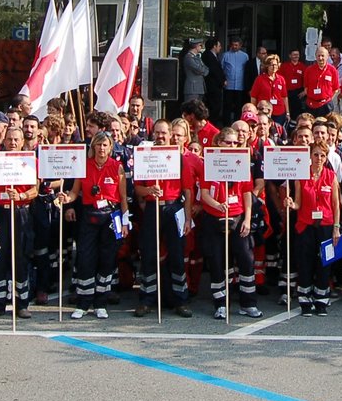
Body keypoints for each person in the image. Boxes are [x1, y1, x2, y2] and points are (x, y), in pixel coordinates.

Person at [132, 121, 194, 318]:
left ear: (170, 135)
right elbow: (137, 188)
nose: (161, 136)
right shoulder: (144, 155)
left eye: (164, 133)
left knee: (176, 255)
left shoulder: (179, 158)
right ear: (153, 134)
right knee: (149, 254)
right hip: (152, 207)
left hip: (173, 207)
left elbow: (187, 190)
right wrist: (149, 190)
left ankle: (180, 300)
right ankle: (146, 299)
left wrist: (187, 218)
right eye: (157, 132)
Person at [63, 131, 128, 319]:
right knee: (85, 258)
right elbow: (75, 192)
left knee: (107, 259)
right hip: (89, 216)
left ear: (110, 147)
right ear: (93, 147)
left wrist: (125, 221)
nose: (101, 148)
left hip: (110, 217)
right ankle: (83, 303)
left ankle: (101, 302)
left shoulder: (117, 167)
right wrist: (66, 198)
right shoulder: (83, 166)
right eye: (98, 145)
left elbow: (123, 198)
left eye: (105, 145)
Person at [198, 126, 261, 319]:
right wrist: (218, 205)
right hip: (214, 218)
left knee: (245, 259)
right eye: (228, 142)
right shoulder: (210, 163)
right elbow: (205, 194)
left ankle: (248, 303)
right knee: (217, 261)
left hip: (238, 217)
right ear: (218, 143)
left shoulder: (241, 163)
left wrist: (248, 219)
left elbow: (247, 194)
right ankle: (220, 304)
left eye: (236, 142)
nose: (233, 145)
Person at [0, 123, 36, 320]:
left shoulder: (29, 161)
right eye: (9, 139)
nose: (12, 142)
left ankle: (22, 304)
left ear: (22, 142)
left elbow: (34, 190)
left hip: (21, 213)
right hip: (2, 215)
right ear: (4, 141)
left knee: (20, 259)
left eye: (16, 139)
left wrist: (20, 196)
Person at [292, 140, 342, 315]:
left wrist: (336, 227)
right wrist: (291, 204)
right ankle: (305, 300)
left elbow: (336, 204)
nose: (319, 158)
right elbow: (298, 203)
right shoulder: (301, 175)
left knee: (324, 263)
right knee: (305, 262)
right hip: (305, 225)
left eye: (322, 155)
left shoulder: (331, 176)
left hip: (326, 226)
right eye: (315, 154)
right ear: (310, 156)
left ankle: (321, 299)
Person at [220, 38, 251, 124]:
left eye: (236, 45)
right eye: (233, 45)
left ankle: (237, 123)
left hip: (240, 85)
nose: (234, 47)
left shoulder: (245, 56)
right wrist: (223, 80)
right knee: (227, 106)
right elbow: (221, 69)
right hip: (229, 85)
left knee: (239, 107)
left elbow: (247, 70)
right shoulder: (225, 55)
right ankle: (226, 124)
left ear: (240, 46)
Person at [303, 46, 341, 116]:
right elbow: (306, 88)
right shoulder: (309, 70)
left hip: (326, 105)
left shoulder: (332, 70)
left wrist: (327, 99)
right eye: (318, 56)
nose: (320, 58)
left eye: (322, 56)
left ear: (327, 57)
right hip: (311, 105)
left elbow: (335, 89)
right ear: (315, 57)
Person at [181, 37, 209, 105]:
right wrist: (203, 70)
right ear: (196, 46)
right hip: (192, 88)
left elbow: (206, 69)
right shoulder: (189, 57)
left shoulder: (197, 57)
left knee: (197, 110)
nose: (201, 47)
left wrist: (203, 70)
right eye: (200, 45)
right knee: (191, 108)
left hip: (199, 88)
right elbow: (199, 69)